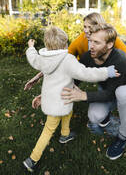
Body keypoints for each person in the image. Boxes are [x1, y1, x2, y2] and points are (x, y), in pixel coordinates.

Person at [61, 23, 126, 160]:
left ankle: (124, 136)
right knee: (94, 115)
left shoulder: (120, 58)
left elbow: (110, 93)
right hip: (108, 93)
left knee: (122, 93)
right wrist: (53, 91)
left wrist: (83, 95)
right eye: (90, 41)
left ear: (109, 44)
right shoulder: (88, 56)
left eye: (96, 42)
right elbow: (76, 78)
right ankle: (115, 112)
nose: (90, 45)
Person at [23, 26, 119, 172]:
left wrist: (31, 47)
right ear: (64, 44)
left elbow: (32, 58)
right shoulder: (67, 59)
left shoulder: (43, 58)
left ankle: (65, 135)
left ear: (47, 44)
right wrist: (107, 71)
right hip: (60, 100)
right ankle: (32, 159)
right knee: (48, 130)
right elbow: (86, 73)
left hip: (57, 99)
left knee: (68, 111)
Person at [24, 12, 126, 106]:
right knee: (96, 92)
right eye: (84, 26)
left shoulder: (112, 41)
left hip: (112, 70)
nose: (85, 31)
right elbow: (59, 60)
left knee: (119, 89)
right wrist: (38, 77)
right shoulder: (80, 41)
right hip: (90, 69)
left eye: (89, 27)